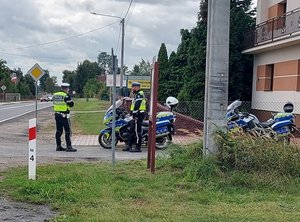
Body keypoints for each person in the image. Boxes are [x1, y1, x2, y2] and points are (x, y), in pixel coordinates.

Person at [53, 83, 77, 152]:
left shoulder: (55, 95)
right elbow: (71, 104)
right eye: (68, 89)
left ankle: (58, 146)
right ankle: (69, 147)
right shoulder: (66, 96)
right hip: (64, 116)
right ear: (66, 89)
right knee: (67, 131)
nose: (68, 90)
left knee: (59, 131)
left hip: (57, 115)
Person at [123, 82, 146, 152]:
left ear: (137, 87)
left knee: (137, 131)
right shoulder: (136, 95)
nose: (132, 89)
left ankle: (138, 147)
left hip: (139, 115)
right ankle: (129, 146)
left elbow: (137, 106)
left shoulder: (140, 94)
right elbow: (134, 105)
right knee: (131, 130)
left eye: (133, 87)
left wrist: (135, 114)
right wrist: (131, 112)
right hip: (135, 114)